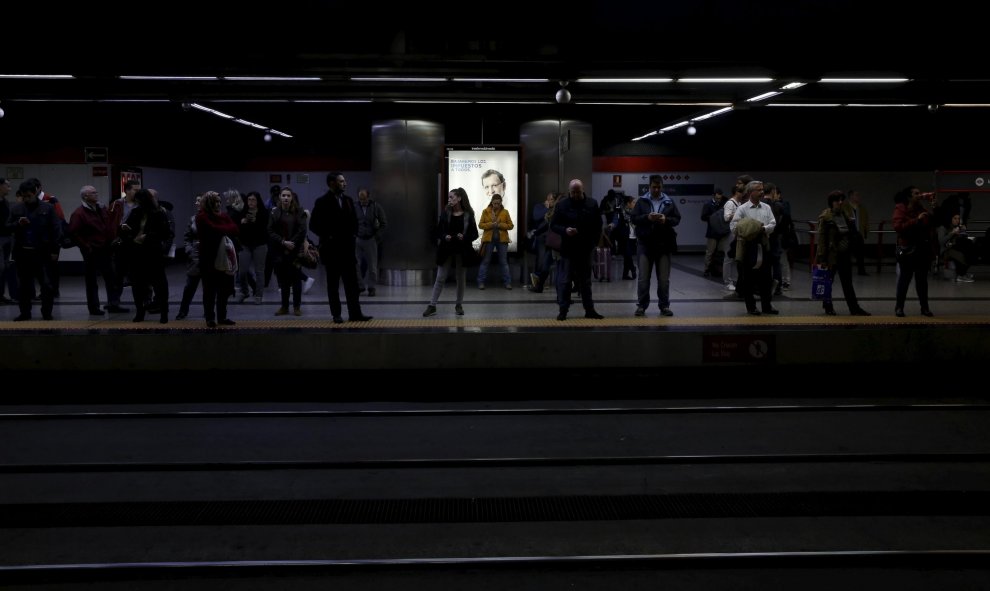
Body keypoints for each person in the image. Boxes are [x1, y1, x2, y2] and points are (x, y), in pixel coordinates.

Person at [309, 172, 372, 324]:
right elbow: (313, 225)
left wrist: (354, 234)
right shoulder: (322, 202)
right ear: (332, 183)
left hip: (348, 251)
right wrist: (328, 235)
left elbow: (354, 222)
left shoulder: (349, 201)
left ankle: (355, 313)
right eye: (341, 181)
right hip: (331, 251)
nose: (345, 184)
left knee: (352, 285)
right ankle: (336, 314)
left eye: (344, 181)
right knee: (333, 285)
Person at [68, 185, 127, 315]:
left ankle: (113, 304)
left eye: (96, 192)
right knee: (91, 281)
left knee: (111, 278)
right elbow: (74, 233)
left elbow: (108, 224)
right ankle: (94, 307)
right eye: (93, 193)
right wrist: (87, 247)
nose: (96, 194)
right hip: (92, 251)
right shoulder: (79, 213)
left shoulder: (101, 208)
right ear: (85, 196)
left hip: (106, 249)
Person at [550, 179, 603, 321]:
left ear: (583, 190)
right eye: (572, 192)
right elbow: (553, 225)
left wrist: (594, 243)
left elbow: (598, 225)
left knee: (585, 281)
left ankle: (589, 310)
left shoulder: (592, 204)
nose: (575, 195)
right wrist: (565, 230)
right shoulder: (562, 205)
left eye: (578, 192)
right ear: (569, 191)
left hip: (586, 248)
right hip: (568, 248)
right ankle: (563, 310)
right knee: (565, 281)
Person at [6, 181, 61, 321]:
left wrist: (55, 250)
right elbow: (7, 227)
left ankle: (47, 312)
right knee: (24, 285)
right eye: (24, 196)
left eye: (29, 196)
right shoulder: (17, 209)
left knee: (47, 285)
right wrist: (17, 224)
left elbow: (56, 230)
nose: (26, 199)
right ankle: (25, 313)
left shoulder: (48, 208)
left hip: (42, 252)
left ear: (35, 193)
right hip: (23, 252)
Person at [423, 188, 479, 317]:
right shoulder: (446, 212)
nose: (449, 200)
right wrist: (444, 237)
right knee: (440, 277)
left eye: (452, 197)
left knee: (460, 278)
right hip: (446, 249)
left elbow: (474, 233)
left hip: (462, 249)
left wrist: (464, 237)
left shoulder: (468, 214)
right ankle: (432, 305)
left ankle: (459, 304)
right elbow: (438, 231)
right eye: (449, 197)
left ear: (459, 198)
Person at [120, 189, 173, 323]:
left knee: (159, 285)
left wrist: (148, 236)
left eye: (139, 200)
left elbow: (166, 233)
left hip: (153, 253)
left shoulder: (158, 213)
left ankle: (164, 312)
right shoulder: (135, 212)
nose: (137, 203)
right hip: (137, 253)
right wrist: (127, 231)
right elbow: (128, 230)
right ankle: (140, 312)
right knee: (137, 285)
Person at [632, 175, 681, 317]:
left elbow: (677, 219)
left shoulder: (668, 201)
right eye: (654, 187)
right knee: (643, 279)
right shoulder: (642, 201)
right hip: (645, 245)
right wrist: (647, 217)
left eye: (659, 187)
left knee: (664, 280)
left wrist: (666, 219)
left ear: (662, 186)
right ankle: (641, 306)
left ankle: (664, 306)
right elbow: (633, 218)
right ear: (649, 186)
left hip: (664, 245)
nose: (656, 189)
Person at [816, 191, 871, 316]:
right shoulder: (826, 217)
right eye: (837, 200)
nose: (840, 202)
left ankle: (854, 308)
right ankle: (828, 306)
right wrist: (822, 258)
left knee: (847, 283)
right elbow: (822, 239)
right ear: (831, 202)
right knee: (828, 282)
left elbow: (851, 234)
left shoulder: (845, 215)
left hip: (844, 254)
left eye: (841, 200)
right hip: (831, 255)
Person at [730, 180, 778, 315]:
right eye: (759, 189)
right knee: (748, 279)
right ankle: (751, 307)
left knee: (766, 278)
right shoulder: (742, 209)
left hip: (763, 244)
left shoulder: (767, 208)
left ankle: (767, 306)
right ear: (751, 192)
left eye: (762, 189)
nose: (762, 192)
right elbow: (733, 227)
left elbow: (773, 224)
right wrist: (749, 229)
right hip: (747, 246)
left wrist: (763, 228)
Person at [196, 191, 240, 327]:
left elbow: (235, 229)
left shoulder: (223, 215)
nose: (219, 204)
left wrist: (222, 229)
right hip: (208, 258)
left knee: (224, 290)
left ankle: (222, 317)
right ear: (209, 203)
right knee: (209, 290)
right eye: (216, 202)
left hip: (224, 257)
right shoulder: (202, 217)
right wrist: (225, 228)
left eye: (220, 202)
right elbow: (213, 229)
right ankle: (210, 317)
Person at [892, 186, 936, 317]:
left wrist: (934, 208)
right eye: (916, 193)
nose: (920, 195)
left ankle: (924, 308)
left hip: (922, 249)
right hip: (908, 250)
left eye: (919, 193)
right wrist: (917, 220)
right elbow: (898, 227)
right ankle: (899, 307)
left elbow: (933, 222)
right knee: (904, 279)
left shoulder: (921, 208)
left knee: (922, 280)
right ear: (909, 197)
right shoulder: (900, 208)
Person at [268, 187, 307, 316]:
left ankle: (297, 307)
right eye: (283, 195)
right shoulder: (274, 212)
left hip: (295, 251)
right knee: (283, 280)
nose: (285, 198)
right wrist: (283, 242)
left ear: (292, 198)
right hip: (280, 251)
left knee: (296, 279)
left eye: (288, 196)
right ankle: (284, 307)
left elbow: (302, 230)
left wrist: (292, 243)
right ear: (279, 197)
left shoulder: (299, 211)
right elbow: (270, 231)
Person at [354, 188, 387, 297]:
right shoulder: (355, 206)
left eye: (364, 199)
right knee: (356, 264)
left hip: (370, 239)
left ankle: (371, 287)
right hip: (358, 239)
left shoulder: (376, 207)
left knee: (372, 265)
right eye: (360, 199)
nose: (362, 201)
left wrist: (377, 237)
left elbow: (384, 223)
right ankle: (360, 286)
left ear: (368, 197)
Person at [477, 193, 513, 289]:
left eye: (498, 203)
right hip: (489, 240)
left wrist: (499, 225)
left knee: (503, 262)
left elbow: (511, 226)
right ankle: (481, 282)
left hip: (502, 240)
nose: (496, 205)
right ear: (491, 202)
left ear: (501, 203)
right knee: (486, 261)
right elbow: (480, 225)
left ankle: (507, 283)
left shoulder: (505, 212)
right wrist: (492, 224)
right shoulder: (486, 211)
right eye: (494, 203)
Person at [941, 214, 976, 282]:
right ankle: (961, 275)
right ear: (950, 219)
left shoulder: (958, 227)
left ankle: (962, 273)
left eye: (958, 219)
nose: (957, 220)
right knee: (962, 254)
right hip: (946, 250)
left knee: (970, 249)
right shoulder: (943, 228)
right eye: (955, 218)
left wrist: (963, 232)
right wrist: (952, 233)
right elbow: (941, 242)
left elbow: (961, 240)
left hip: (956, 247)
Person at [844, 189, 871, 275]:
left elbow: (865, 220)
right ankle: (846, 270)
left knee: (860, 253)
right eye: (856, 195)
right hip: (848, 234)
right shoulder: (845, 207)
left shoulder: (861, 208)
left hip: (859, 233)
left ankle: (861, 270)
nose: (858, 197)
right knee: (847, 253)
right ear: (851, 196)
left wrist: (866, 231)